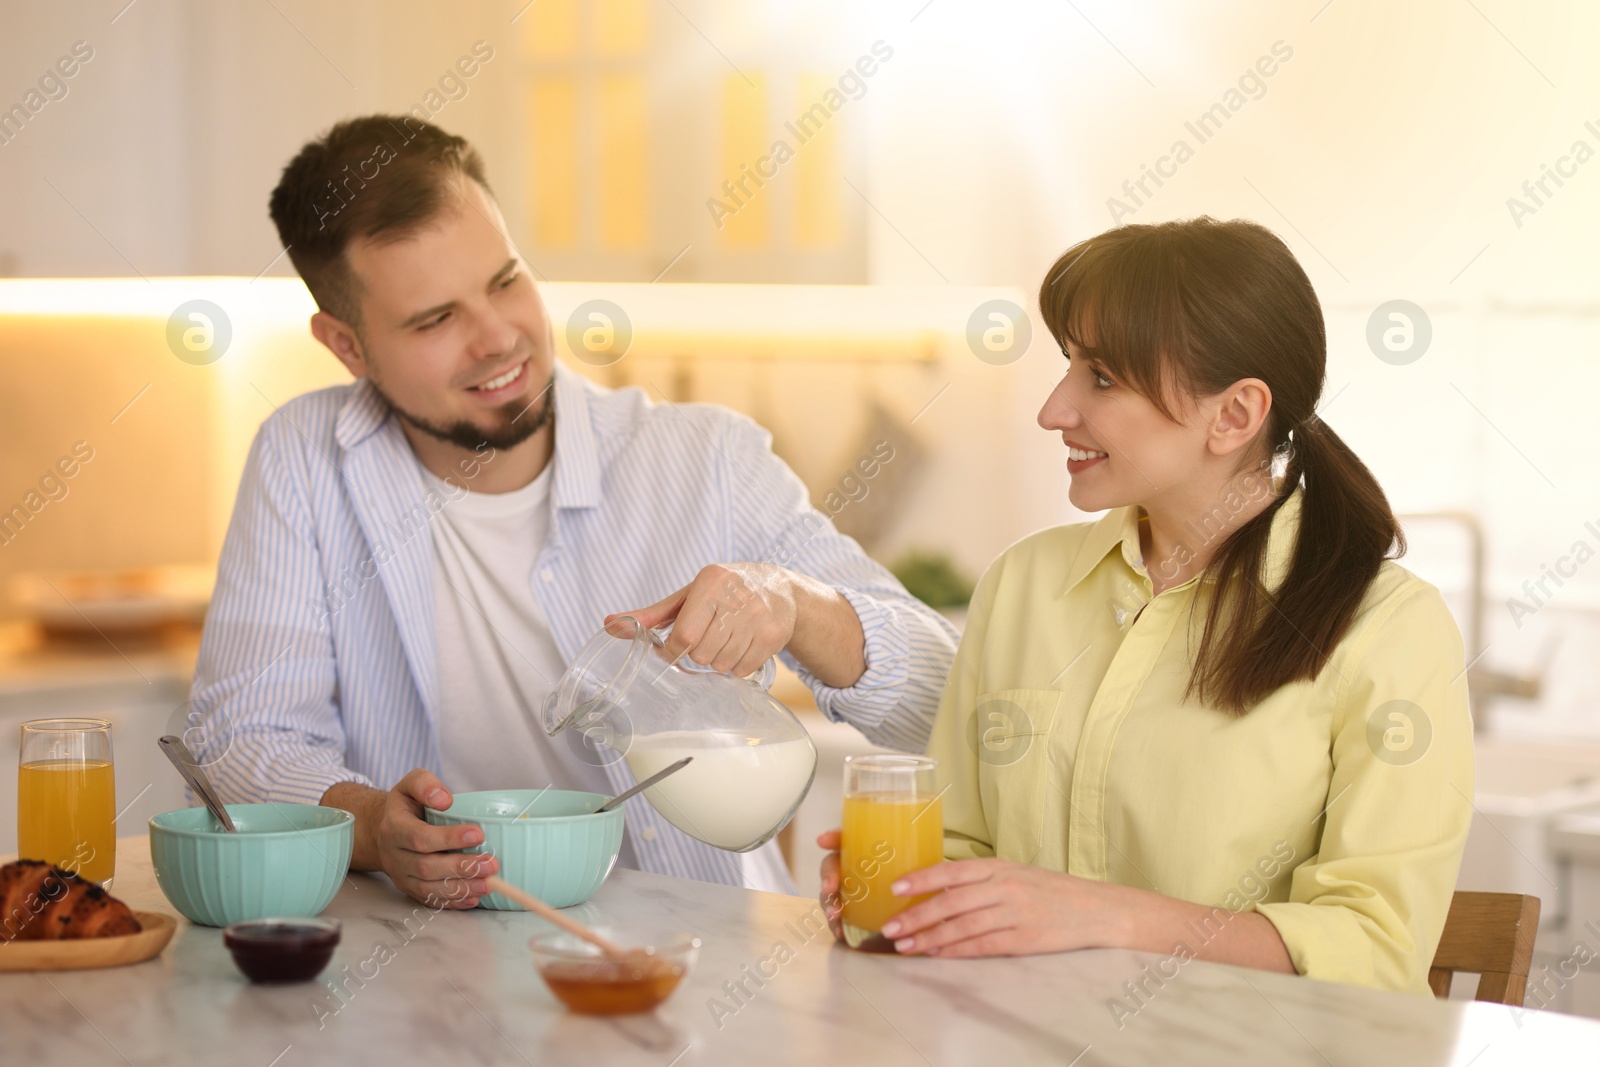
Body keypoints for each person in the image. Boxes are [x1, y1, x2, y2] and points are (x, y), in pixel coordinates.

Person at [188, 115, 957, 906]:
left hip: (702, 974)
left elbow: (945, 698)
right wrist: (374, 825)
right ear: (347, 346)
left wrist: (796, 603)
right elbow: (243, 739)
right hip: (430, 978)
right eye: (436, 319)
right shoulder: (305, 460)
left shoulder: (703, 458)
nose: (498, 339)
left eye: (504, 281)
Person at [819, 217, 1473, 994]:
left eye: (1101, 377)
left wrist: (1105, 914)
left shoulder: (1389, 628)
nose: (1055, 409)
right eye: (1069, 366)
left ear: (1233, 415)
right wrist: (911, 899)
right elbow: (963, 847)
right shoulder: (1023, 585)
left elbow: (1374, 947)